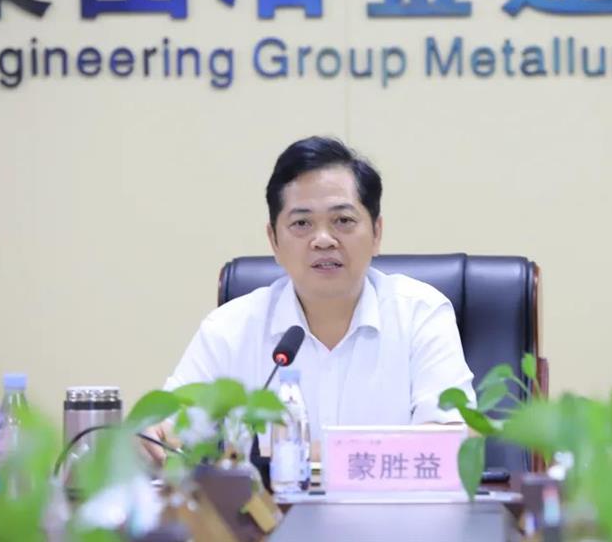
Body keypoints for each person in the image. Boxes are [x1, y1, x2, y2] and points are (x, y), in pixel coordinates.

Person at [143, 136, 475, 463]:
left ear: (376, 233)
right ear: (274, 240)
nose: (323, 240)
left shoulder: (421, 314)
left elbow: (454, 440)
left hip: (390, 503)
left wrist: (306, 454)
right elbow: (168, 432)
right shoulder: (230, 329)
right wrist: (148, 439)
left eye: (343, 221)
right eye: (301, 223)